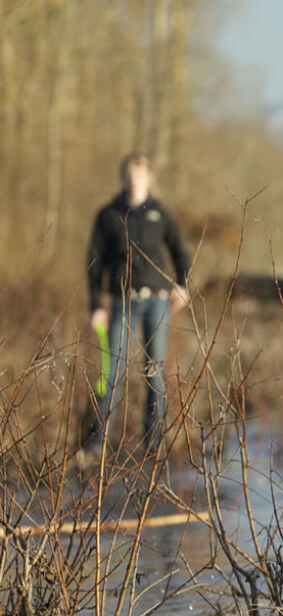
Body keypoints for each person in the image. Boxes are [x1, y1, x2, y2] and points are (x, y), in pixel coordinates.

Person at [80, 152, 191, 458]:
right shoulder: (108, 215)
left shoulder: (161, 214)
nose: (134, 179)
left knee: (154, 370)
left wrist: (182, 285)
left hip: (157, 301)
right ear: (122, 177)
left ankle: (154, 444)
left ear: (148, 177)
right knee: (110, 371)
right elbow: (94, 262)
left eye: (139, 173)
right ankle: (96, 444)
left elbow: (182, 254)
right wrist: (96, 306)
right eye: (129, 173)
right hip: (120, 301)